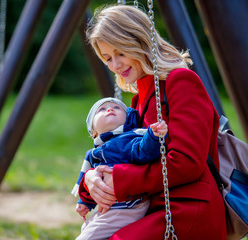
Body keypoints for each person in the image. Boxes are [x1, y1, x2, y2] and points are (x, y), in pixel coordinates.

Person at [77, 5, 227, 240]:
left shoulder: (181, 81)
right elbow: (121, 153)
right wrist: (91, 179)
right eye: (107, 58)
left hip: (185, 207)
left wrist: (120, 180)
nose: (115, 65)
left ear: (140, 42)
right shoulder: (138, 100)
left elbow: (187, 163)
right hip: (148, 207)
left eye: (121, 53)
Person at [72, 97, 168, 240]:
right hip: (111, 207)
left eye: (116, 108)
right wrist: (84, 202)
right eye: (102, 109)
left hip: (128, 206)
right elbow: (87, 180)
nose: (110, 109)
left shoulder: (128, 139)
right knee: (86, 227)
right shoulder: (93, 153)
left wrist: (152, 136)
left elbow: (143, 152)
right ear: (94, 132)